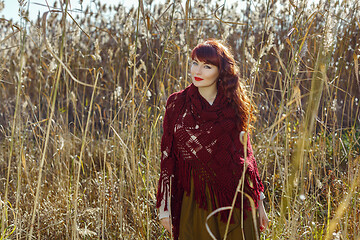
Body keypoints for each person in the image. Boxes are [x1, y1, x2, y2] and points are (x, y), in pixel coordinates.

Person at [156, 39, 269, 240]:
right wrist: (165, 207)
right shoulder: (177, 103)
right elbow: (168, 155)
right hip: (195, 200)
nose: (197, 71)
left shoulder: (233, 106)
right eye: (194, 63)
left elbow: (247, 156)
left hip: (235, 199)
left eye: (207, 66)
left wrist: (259, 202)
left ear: (221, 71)